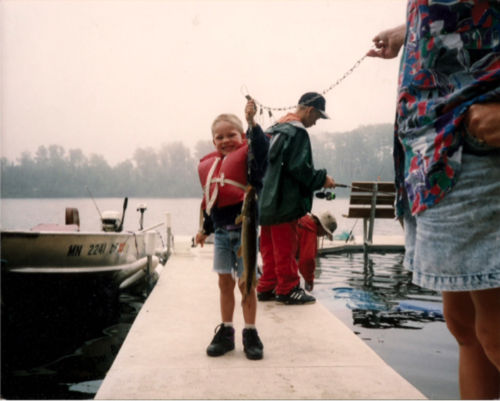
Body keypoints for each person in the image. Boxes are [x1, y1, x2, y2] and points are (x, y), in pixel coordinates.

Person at [367, 2, 500, 399]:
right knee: (464, 325)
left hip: (472, 148)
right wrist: (409, 29)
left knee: (494, 330)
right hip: (431, 153)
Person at [195, 100, 269, 360]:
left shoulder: (251, 163)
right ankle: (226, 333)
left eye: (232, 135)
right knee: (224, 283)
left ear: (241, 137)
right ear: (213, 141)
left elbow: (261, 148)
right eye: (219, 137)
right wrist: (205, 229)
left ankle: (250, 333)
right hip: (222, 236)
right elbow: (210, 201)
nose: (226, 140)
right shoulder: (213, 166)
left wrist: (251, 124)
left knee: (246, 283)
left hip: (245, 234)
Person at [256, 92, 336, 305]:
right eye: (317, 117)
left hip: (264, 201)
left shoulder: (273, 129)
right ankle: (288, 288)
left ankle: (267, 286)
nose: (315, 123)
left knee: (268, 246)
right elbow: (299, 168)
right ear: (310, 110)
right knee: (286, 246)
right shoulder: (297, 132)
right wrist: (323, 179)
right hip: (284, 201)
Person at [297, 211, 337, 292]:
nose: (322, 236)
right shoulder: (310, 233)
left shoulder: (303, 219)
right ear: (322, 228)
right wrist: (310, 281)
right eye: (325, 233)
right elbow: (307, 261)